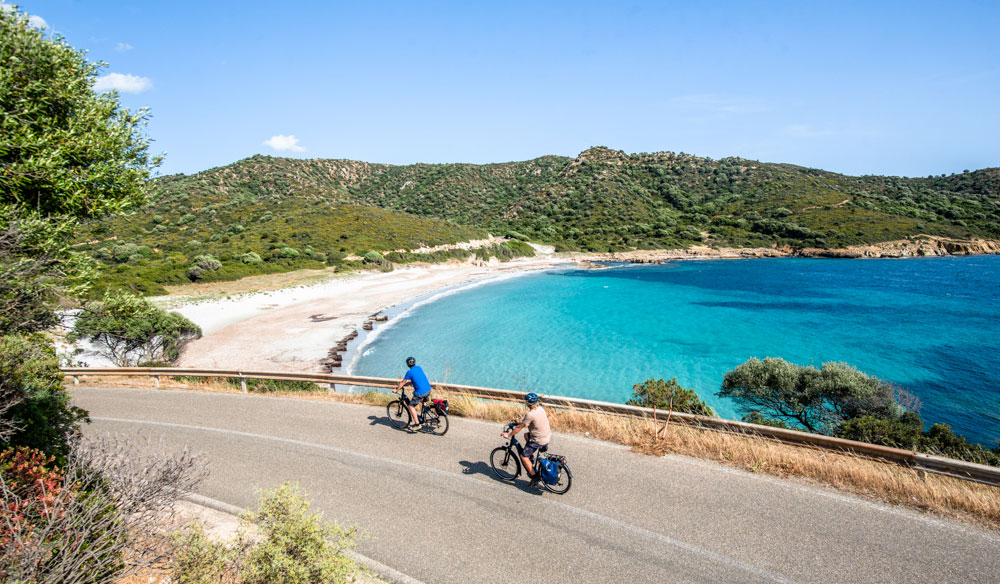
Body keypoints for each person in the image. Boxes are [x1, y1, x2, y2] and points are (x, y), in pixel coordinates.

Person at [501, 392, 551, 486]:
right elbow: (526, 423)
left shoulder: (530, 414)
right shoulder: (541, 409)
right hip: (546, 436)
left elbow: (519, 428)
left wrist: (509, 435)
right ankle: (530, 456)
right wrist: (520, 423)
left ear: (527, 403)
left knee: (523, 456)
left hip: (538, 440)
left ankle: (535, 477)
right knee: (526, 435)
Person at [393, 356, 432, 431]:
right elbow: (417, 378)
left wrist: (396, 389)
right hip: (428, 389)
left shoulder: (409, 372)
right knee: (416, 393)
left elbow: (402, 382)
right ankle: (424, 411)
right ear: (415, 362)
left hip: (421, 392)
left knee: (410, 406)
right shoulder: (419, 368)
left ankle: (417, 424)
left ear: (407, 364)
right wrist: (409, 383)